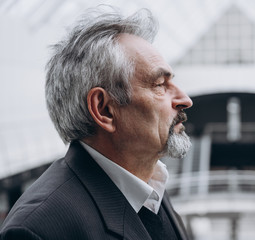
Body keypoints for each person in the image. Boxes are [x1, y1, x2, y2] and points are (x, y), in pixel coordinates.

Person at [0, 6, 192, 240]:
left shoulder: (151, 188)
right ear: (104, 110)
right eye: (160, 84)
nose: (186, 100)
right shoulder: (38, 230)